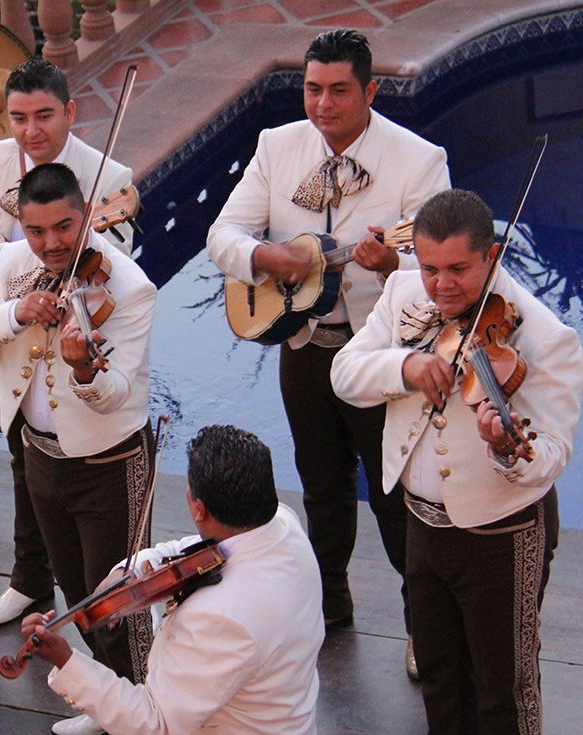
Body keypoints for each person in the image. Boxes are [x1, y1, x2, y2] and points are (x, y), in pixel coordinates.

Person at [206, 28, 450, 667]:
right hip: (305, 348)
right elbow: (222, 233)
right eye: (313, 89)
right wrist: (267, 253)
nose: (322, 104)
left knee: (395, 497)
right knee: (321, 488)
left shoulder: (419, 161)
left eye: (339, 90)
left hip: (379, 358)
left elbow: (437, 273)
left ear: (369, 90)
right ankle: (329, 605)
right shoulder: (276, 145)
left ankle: (420, 625)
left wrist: (389, 261)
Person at [331, 189, 581, 733]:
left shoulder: (546, 337)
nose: (442, 286)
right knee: (440, 677)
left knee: (504, 689)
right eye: (430, 269)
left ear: (491, 256)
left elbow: (552, 453)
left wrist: (505, 449)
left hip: (502, 535)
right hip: (421, 524)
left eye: (458, 269)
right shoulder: (400, 292)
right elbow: (345, 375)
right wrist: (406, 367)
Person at [0, 58, 135, 627]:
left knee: (64, 478)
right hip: (8, 329)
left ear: (69, 111)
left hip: (69, 339)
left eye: (44, 116)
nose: (30, 131)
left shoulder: (107, 177)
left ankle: (92, 608)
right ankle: (29, 580)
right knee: (23, 465)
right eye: (18, 117)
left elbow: (120, 264)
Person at [0, 163, 155, 735]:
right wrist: (15, 313)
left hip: (110, 463)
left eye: (64, 227)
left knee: (120, 604)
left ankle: (146, 711)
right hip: (39, 455)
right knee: (74, 588)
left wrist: (84, 367)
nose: (51, 244)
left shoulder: (129, 288)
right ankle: (106, 701)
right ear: (21, 226)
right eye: (36, 232)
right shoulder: (12, 264)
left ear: (86, 215)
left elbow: (119, 395)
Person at [23, 425, 324, 734]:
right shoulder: (284, 524)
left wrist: (67, 661)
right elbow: (190, 548)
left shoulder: (217, 617)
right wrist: (135, 568)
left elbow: (157, 723)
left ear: (198, 508)